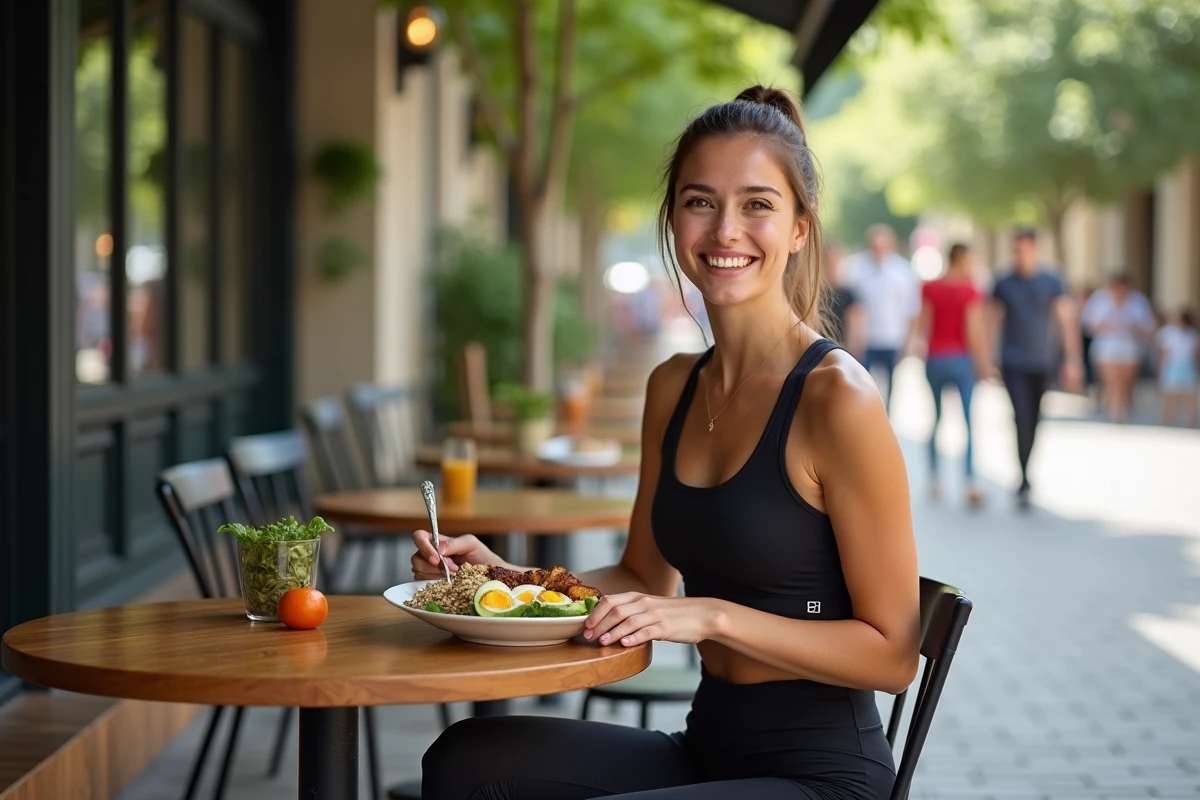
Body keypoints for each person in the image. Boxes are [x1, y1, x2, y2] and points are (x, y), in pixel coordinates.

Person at [414, 86, 920, 800]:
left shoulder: (837, 398)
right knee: (465, 758)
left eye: (757, 204)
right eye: (700, 202)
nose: (726, 231)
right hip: (706, 749)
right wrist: (511, 582)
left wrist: (710, 615)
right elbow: (643, 579)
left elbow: (894, 656)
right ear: (674, 219)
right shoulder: (674, 385)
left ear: (800, 229)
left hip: (821, 776)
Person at [987, 227, 1083, 510]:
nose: (1021, 255)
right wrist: (989, 358)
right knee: (1021, 416)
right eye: (1016, 250)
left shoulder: (1052, 281)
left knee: (1034, 418)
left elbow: (1066, 321)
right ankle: (1024, 478)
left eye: (1025, 249)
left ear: (1036, 249)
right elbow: (992, 320)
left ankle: (1027, 471)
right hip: (1013, 361)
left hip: (1043, 361)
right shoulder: (1004, 283)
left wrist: (1072, 359)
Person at [916, 243, 991, 508]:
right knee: (968, 421)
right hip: (961, 360)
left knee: (936, 418)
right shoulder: (969, 290)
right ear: (961, 260)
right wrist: (984, 364)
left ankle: (935, 478)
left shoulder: (930, 288)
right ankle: (969, 481)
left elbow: (923, 322)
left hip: (935, 359)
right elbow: (974, 330)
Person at [845, 224, 919, 412]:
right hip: (866, 339)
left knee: (891, 386)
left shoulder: (903, 271)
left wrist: (909, 341)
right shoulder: (856, 269)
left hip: (893, 338)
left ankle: (887, 418)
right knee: (864, 385)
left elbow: (911, 310)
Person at [1081, 274, 1155, 422]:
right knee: (1111, 382)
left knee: (1125, 384)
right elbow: (1087, 324)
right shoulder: (1099, 300)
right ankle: (1115, 413)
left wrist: (1134, 328)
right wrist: (1104, 325)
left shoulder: (1138, 301)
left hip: (1130, 350)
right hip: (1106, 350)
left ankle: (1121, 409)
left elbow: (1148, 326)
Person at [1157, 308, 1199, 427]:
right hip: (1173, 366)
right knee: (1170, 396)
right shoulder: (1168, 333)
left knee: (1189, 396)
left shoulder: (1192, 335)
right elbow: (1164, 353)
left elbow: (1196, 354)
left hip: (1188, 366)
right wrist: (1160, 368)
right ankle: (1167, 421)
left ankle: (1191, 421)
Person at [823, 242, 865, 357]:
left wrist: (852, 349)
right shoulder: (815, 293)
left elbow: (855, 325)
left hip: (841, 348)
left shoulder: (848, 294)